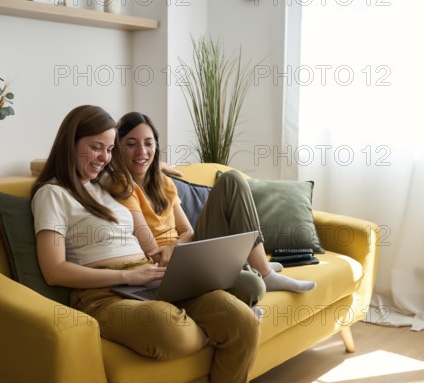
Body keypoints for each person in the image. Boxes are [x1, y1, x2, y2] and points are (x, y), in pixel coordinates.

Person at [31, 105, 260, 383]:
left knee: (242, 321)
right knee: (173, 330)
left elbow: (138, 165)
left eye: (109, 149)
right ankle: (215, 331)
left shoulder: (103, 184)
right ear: (70, 144)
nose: (103, 157)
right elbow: (54, 270)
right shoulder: (52, 194)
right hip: (103, 294)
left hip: (150, 279)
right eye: (95, 147)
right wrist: (128, 275)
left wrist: (158, 164)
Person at [113, 111, 316, 294]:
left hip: (188, 252)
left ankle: (263, 270)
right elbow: (153, 254)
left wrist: (174, 246)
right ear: (117, 148)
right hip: (166, 269)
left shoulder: (164, 183)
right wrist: (175, 248)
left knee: (232, 179)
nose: (142, 151)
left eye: (148, 143)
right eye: (131, 144)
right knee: (252, 287)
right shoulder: (122, 185)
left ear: (156, 147)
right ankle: (254, 269)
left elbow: (189, 232)